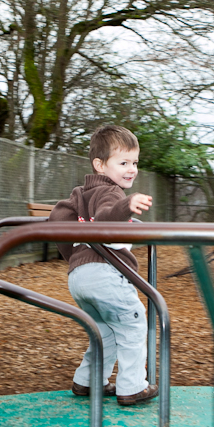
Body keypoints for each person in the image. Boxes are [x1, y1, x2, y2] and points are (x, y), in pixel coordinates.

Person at [48, 125, 158, 406]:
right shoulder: (110, 192)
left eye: (134, 162)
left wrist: (74, 259)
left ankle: (88, 381)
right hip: (106, 275)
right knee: (133, 327)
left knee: (104, 331)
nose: (131, 169)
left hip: (80, 278)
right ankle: (133, 386)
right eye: (123, 163)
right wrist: (127, 206)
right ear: (100, 165)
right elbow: (107, 216)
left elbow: (57, 220)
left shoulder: (79, 194)